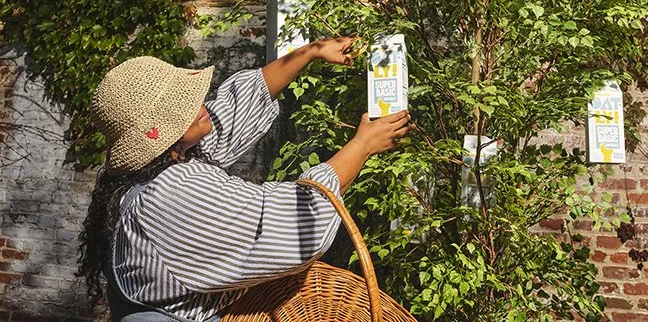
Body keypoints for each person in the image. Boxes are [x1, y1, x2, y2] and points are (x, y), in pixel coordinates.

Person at [77, 37, 411, 321]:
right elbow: (287, 222)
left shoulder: (161, 162)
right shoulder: (170, 194)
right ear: (162, 133)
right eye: (182, 107)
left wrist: (310, 51)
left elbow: (234, 110)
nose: (199, 103)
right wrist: (362, 145)